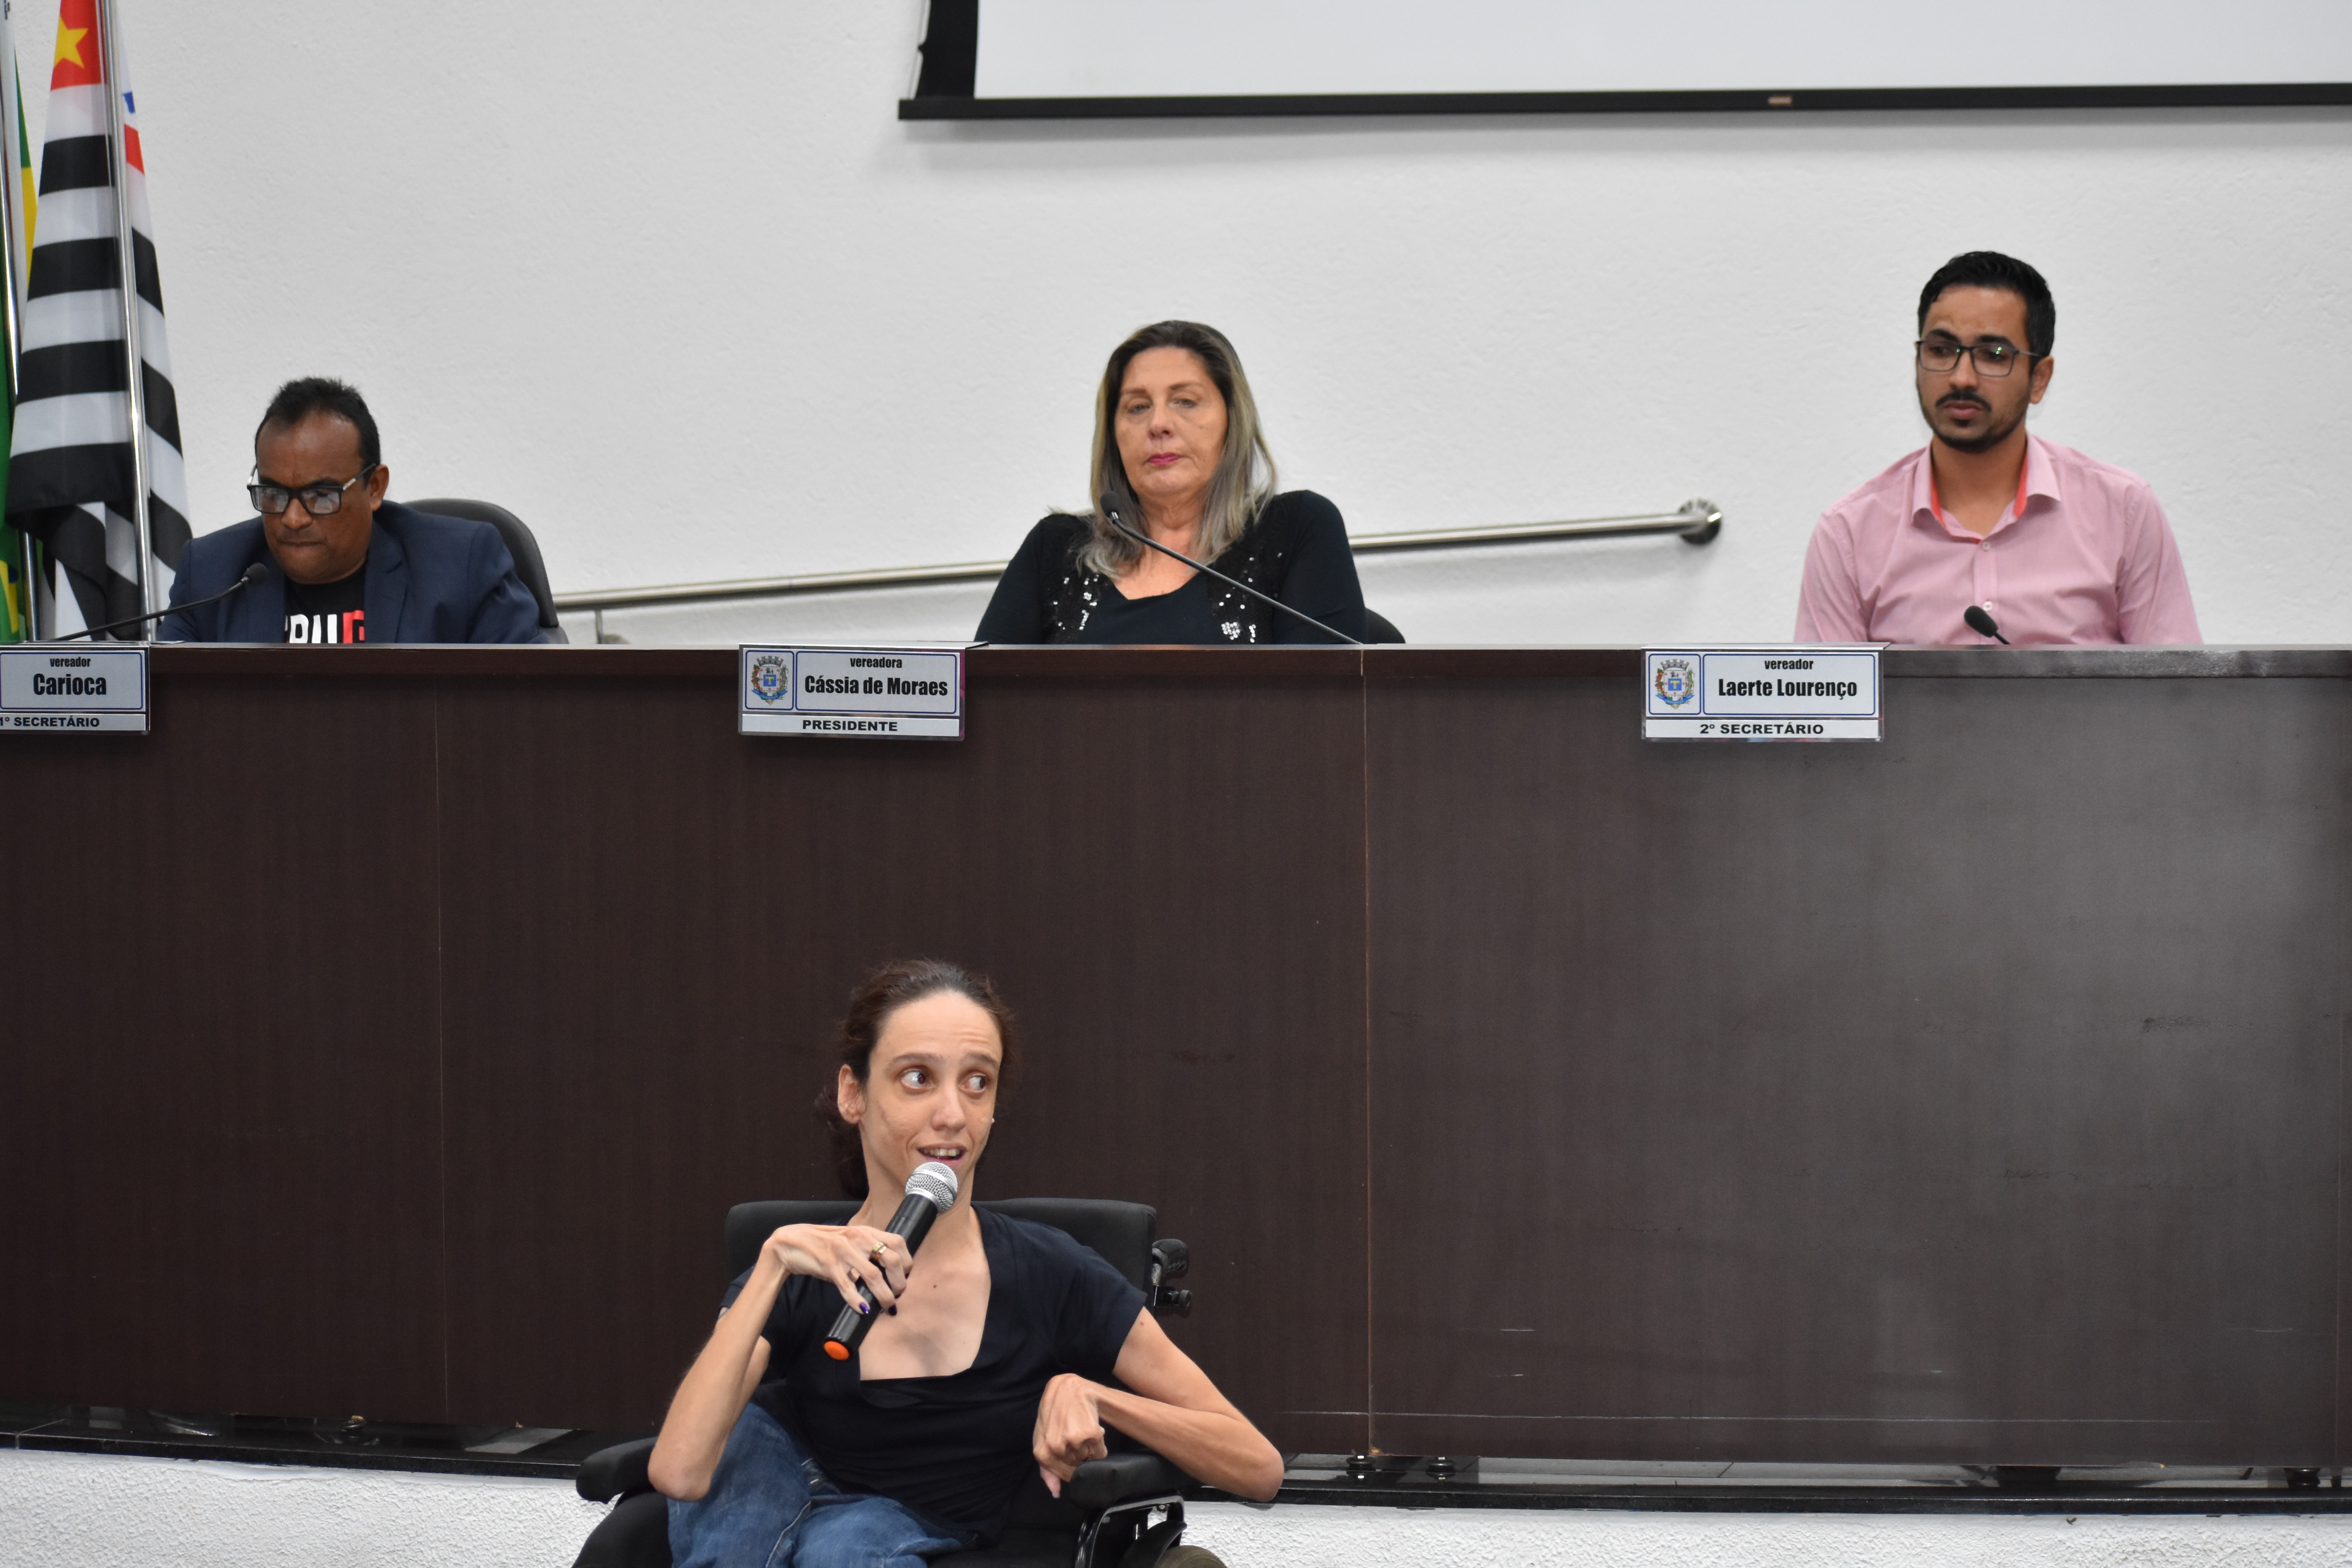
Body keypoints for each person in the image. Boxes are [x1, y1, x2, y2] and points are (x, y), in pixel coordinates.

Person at [649, 959, 1282, 1566]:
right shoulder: (799, 1268)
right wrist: (771, 1268)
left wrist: (1095, 1396)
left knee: (845, 1551)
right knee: (740, 1478)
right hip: (774, 1474)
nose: (953, 1115)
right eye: (917, 1078)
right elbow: (680, 1471)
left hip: (903, 1525)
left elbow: (1258, 1467)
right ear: (853, 1094)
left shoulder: (1050, 1273)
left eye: (978, 1082)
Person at [1794, 252, 2200, 646]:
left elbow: (2177, 686)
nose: (1962, 378)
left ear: (2039, 378)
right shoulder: (1849, 534)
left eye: (1994, 355)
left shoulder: (2123, 510)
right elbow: (1827, 694)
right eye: (1941, 350)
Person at [976, 320, 1367, 644]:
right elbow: (975, 697)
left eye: (1186, 401)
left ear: (1232, 422)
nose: (1159, 424)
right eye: (1137, 407)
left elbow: (1328, 702)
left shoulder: (1295, 529)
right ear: (1113, 435)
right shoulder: (1057, 550)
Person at [159, 377, 543, 644]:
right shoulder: (210, 577)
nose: (294, 519)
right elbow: (169, 715)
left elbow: (526, 706)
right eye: (274, 494)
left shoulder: (461, 567)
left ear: (374, 487)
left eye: (321, 495)